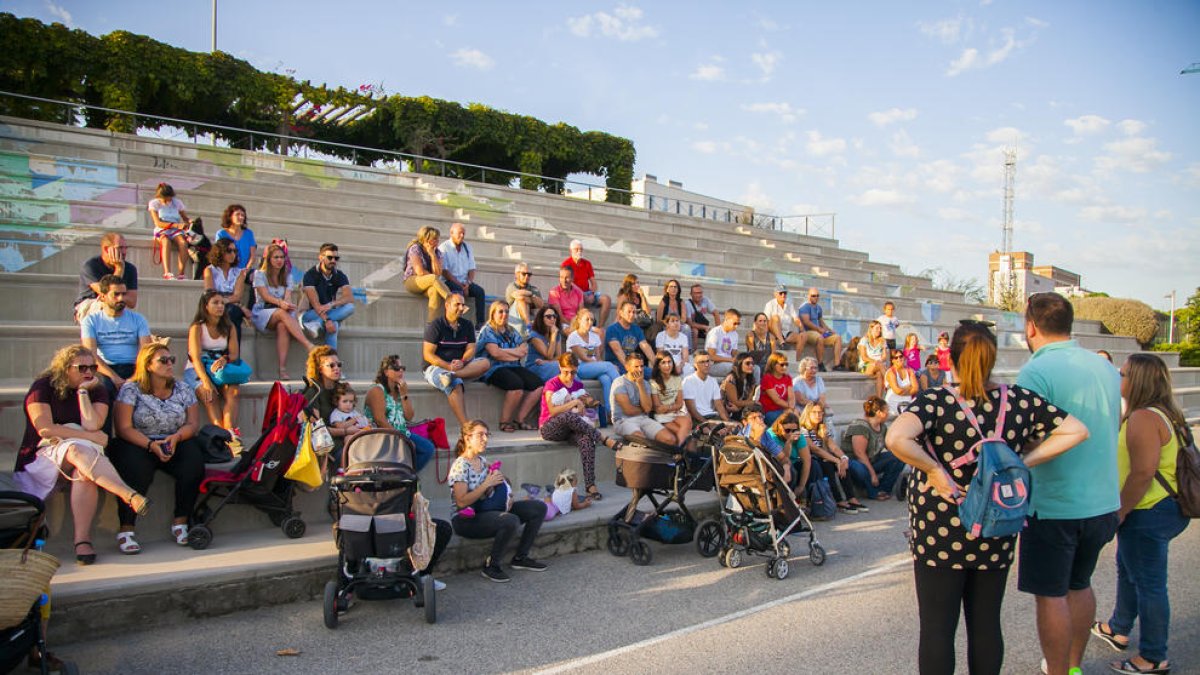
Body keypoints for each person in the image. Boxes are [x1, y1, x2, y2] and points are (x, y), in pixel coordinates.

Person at [885, 320, 1089, 675]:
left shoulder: (936, 401)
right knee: (986, 625)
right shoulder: (1019, 401)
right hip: (996, 526)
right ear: (992, 358)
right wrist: (1025, 461)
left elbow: (896, 439)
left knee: (937, 628)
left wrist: (934, 470)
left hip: (941, 529)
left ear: (953, 360)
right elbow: (1076, 430)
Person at [1016, 293, 1123, 675]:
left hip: (1055, 502)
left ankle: (1058, 671)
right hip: (1103, 501)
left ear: (1031, 326)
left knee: (1051, 594)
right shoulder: (1105, 368)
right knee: (1081, 583)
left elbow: (1025, 437)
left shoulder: (1035, 372)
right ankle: (1074, 666)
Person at [1092, 354, 1191, 675]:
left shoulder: (1143, 418)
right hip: (1163, 508)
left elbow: (1142, 472)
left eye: (1122, 373)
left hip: (1148, 510)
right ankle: (1119, 627)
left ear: (1138, 380)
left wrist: (1120, 512)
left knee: (1149, 583)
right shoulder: (1165, 413)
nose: (1118, 377)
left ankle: (1152, 656)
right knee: (1128, 568)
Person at [12, 345, 149, 565]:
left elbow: (93, 424)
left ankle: (82, 541)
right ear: (65, 368)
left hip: (81, 455)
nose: (89, 372)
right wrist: (91, 437)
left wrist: (83, 392)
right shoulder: (43, 387)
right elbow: (46, 429)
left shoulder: (97, 389)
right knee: (77, 450)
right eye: (81, 367)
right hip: (42, 455)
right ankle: (127, 494)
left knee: (84, 470)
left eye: (93, 367)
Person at [108, 342, 206, 553]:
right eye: (163, 360)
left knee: (193, 464)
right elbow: (123, 428)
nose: (170, 364)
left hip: (174, 438)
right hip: (139, 441)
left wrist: (176, 437)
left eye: (172, 360)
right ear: (148, 365)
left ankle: (181, 522)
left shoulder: (183, 388)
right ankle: (126, 528)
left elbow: (192, 424)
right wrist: (151, 445)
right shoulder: (130, 389)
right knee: (136, 469)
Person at [448, 420, 548, 583]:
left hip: (488, 509)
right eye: (480, 435)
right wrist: (486, 485)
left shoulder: (481, 461)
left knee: (538, 508)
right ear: (467, 438)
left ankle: (520, 558)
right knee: (510, 520)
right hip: (465, 519)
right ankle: (492, 566)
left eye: (487, 435)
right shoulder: (460, 466)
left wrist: (508, 496)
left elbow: (503, 480)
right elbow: (461, 502)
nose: (485, 439)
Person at [539, 353, 620, 501]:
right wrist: (573, 402)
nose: (570, 376)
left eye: (573, 372)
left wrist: (589, 401)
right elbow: (553, 411)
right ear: (560, 367)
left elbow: (584, 400)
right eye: (566, 372)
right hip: (551, 427)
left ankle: (590, 486)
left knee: (586, 440)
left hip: (572, 429)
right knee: (568, 415)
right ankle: (602, 438)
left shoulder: (577, 384)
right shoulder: (552, 384)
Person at [186, 290, 249, 439]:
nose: (220, 306)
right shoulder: (197, 327)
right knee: (210, 395)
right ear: (205, 306)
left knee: (233, 391)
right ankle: (220, 435)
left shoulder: (230, 326)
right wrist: (206, 382)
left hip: (219, 368)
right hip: (197, 368)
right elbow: (195, 357)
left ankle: (229, 432)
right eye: (215, 303)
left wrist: (224, 359)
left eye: (222, 303)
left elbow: (234, 355)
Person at [422, 293, 491, 425]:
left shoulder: (467, 325)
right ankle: (466, 426)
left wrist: (463, 361)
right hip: (436, 367)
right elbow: (428, 355)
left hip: (459, 365)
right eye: (457, 304)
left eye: (462, 304)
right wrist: (447, 367)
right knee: (456, 384)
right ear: (447, 306)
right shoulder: (436, 325)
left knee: (485, 362)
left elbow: (471, 349)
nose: (461, 307)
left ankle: (451, 375)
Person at [476, 301, 545, 432]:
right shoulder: (488, 330)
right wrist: (514, 352)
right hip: (493, 368)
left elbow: (523, 350)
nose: (504, 314)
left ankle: (519, 419)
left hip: (513, 366)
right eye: (500, 311)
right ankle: (504, 421)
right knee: (516, 385)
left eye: (507, 311)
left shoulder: (511, 330)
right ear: (493, 314)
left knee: (538, 384)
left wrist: (505, 352)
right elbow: (495, 354)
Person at [79, 275, 152, 398]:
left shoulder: (139, 319)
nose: (121, 298)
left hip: (134, 367)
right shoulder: (90, 321)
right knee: (103, 388)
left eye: (124, 294)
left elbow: (147, 351)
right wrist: (115, 378)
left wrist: (134, 377)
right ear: (102, 296)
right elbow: (90, 355)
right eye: (116, 294)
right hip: (104, 369)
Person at [252, 242, 315, 380]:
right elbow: (265, 296)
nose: (279, 260)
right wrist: (281, 303)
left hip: (281, 313)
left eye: (282, 257)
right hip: (262, 311)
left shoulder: (288, 276)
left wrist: (288, 305)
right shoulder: (259, 274)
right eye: (276, 257)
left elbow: (287, 297)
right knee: (281, 313)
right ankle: (309, 345)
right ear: (269, 259)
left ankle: (282, 368)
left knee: (282, 326)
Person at [363, 354, 436, 472]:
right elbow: (380, 419)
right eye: (396, 368)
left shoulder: (400, 389)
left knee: (428, 448)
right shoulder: (377, 390)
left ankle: (407, 475)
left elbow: (409, 416)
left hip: (402, 432)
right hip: (382, 434)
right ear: (386, 371)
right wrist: (399, 437)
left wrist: (404, 394)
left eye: (403, 368)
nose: (401, 371)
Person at [799, 402, 866, 514]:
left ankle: (851, 497)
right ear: (808, 414)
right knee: (828, 465)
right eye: (814, 412)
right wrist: (836, 460)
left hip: (823, 456)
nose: (818, 415)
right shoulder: (804, 429)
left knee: (844, 463)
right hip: (810, 459)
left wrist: (843, 458)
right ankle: (838, 500)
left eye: (820, 412)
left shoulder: (822, 428)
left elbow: (833, 446)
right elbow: (815, 449)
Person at [843, 396, 905, 501]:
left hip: (872, 460)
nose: (888, 413)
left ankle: (884, 489)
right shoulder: (860, 426)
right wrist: (873, 474)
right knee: (860, 469)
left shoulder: (882, 427)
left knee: (898, 457)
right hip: (854, 462)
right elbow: (859, 454)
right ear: (879, 413)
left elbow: (890, 447)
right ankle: (872, 492)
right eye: (887, 411)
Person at [610, 352, 677, 446]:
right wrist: (644, 408)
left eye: (641, 366)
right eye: (636, 366)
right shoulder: (619, 383)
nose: (640, 369)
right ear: (627, 367)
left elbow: (648, 409)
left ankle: (665, 460)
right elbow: (629, 411)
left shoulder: (644, 383)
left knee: (670, 439)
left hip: (643, 418)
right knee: (640, 439)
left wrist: (640, 385)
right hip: (623, 420)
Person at [566, 307, 620, 423]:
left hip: (593, 367)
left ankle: (609, 412)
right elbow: (584, 358)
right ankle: (623, 389)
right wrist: (605, 365)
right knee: (609, 366)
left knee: (606, 378)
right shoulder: (573, 337)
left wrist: (602, 365)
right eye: (587, 319)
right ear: (579, 320)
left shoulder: (594, 337)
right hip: (579, 368)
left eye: (592, 320)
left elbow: (598, 357)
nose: (590, 322)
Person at [302, 346, 354, 461]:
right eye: (331, 365)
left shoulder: (342, 389)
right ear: (320, 369)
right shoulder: (313, 393)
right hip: (328, 447)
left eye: (339, 365)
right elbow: (318, 429)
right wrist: (347, 431)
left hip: (349, 439)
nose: (337, 368)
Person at [302, 243, 356, 350]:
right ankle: (332, 362)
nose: (333, 261)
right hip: (310, 314)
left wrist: (330, 305)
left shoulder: (339, 275)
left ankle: (330, 360)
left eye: (336, 258)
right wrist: (327, 320)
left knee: (350, 308)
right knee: (333, 324)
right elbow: (315, 304)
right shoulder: (310, 274)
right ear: (321, 257)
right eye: (330, 257)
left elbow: (349, 297)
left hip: (327, 312)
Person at [75, 232, 138, 323]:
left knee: (132, 318)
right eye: (120, 248)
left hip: (117, 307)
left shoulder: (130, 269)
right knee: (107, 307)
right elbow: (107, 293)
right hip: (89, 305)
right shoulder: (91, 266)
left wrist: (119, 297)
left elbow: (132, 302)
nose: (124, 252)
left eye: (126, 248)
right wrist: (119, 269)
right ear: (106, 249)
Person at [202, 239, 251, 345]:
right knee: (225, 312)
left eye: (235, 251)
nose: (233, 254)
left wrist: (225, 301)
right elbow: (210, 293)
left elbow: (237, 295)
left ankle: (233, 353)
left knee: (233, 312)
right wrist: (223, 301)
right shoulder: (210, 270)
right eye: (229, 251)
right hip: (214, 301)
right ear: (220, 252)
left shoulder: (240, 272)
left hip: (231, 302)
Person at [438, 222, 486, 324]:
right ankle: (456, 321)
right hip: (449, 281)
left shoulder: (467, 247)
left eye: (463, 233)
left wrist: (468, 284)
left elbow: (472, 269)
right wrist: (461, 286)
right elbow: (445, 272)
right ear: (451, 233)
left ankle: (480, 323)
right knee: (457, 291)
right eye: (459, 233)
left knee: (480, 292)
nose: (462, 236)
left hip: (465, 282)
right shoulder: (444, 248)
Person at [403, 226, 452, 323]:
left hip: (429, 282)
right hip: (412, 280)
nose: (437, 241)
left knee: (434, 291)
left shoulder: (437, 253)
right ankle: (452, 300)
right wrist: (432, 276)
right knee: (432, 278)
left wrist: (433, 255)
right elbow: (420, 271)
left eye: (438, 239)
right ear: (426, 239)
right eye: (434, 239)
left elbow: (438, 274)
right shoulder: (415, 248)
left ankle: (432, 325)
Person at [146, 182, 192, 280]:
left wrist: (189, 221)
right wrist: (176, 225)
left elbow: (185, 217)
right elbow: (158, 223)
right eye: (166, 198)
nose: (168, 200)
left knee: (183, 243)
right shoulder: (154, 203)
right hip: (162, 229)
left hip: (175, 230)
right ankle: (167, 272)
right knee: (166, 242)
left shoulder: (177, 202)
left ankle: (181, 273)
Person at [740, 404, 792, 484]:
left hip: (766, 472)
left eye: (760, 417)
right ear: (745, 422)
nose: (758, 421)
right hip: (748, 476)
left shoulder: (766, 435)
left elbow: (783, 457)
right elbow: (749, 463)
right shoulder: (740, 438)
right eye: (753, 418)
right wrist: (758, 437)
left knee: (792, 471)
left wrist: (787, 468)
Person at [562, 239, 611, 325]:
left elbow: (593, 282)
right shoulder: (566, 264)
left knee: (606, 299)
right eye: (576, 249)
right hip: (573, 293)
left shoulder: (587, 263)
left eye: (581, 249)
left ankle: (600, 327)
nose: (579, 251)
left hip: (587, 292)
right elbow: (569, 283)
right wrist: (583, 295)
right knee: (580, 302)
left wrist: (592, 293)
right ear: (571, 251)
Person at [650, 349, 692, 444]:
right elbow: (658, 409)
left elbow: (680, 404)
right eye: (663, 363)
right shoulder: (653, 382)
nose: (667, 365)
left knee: (687, 422)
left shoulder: (677, 379)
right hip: (661, 417)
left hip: (675, 414)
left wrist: (667, 407)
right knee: (687, 435)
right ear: (658, 366)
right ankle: (679, 452)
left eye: (669, 362)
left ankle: (678, 452)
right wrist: (672, 407)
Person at [797, 287, 844, 371]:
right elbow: (806, 322)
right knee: (820, 337)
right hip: (808, 332)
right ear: (808, 296)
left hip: (818, 332)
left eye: (817, 296)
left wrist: (830, 330)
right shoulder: (804, 307)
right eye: (813, 296)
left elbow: (821, 322)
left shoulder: (819, 307)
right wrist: (819, 329)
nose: (816, 297)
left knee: (837, 337)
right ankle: (820, 363)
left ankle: (837, 364)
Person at [605, 301, 656, 376]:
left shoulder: (637, 329)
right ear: (621, 313)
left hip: (634, 364)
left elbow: (645, 347)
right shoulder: (612, 329)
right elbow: (618, 351)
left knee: (656, 374)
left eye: (634, 312)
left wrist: (657, 366)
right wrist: (630, 367)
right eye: (629, 312)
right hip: (616, 364)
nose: (632, 315)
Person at [763, 285, 808, 364]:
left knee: (803, 336)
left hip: (786, 332)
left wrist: (801, 327)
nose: (783, 295)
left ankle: (795, 361)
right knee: (776, 317)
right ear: (775, 294)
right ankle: (782, 342)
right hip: (773, 331)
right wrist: (767, 336)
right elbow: (765, 321)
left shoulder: (789, 304)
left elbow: (795, 319)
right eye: (781, 293)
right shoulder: (769, 304)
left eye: (785, 293)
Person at [683, 351, 729, 424]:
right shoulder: (688, 381)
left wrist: (727, 422)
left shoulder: (713, 381)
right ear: (695, 365)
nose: (706, 364)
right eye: (702, 362)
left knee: (736, 427)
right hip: (696, 418)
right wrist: (707, 423)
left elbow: (719, 405)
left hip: (712, 416)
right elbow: (691, 410)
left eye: (708, 361)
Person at [525, 305, 564, 382]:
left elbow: (559, 356)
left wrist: (548, 362)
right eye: (548, 316)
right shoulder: (534, 335)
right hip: (535, 366)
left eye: (554, 316)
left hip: (549, 364)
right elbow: (549, 356)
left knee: (568, 367)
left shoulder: (556, 334)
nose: (552, 319)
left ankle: (577, 391)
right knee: (559, 367)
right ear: (541, 319)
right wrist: (553, 336)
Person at [214, 204, 257, 271]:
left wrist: (246, 269)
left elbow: (253, 256)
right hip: (227, 270)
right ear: (230, 216)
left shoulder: (249, 233)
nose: (241, 217)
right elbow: (220, 254)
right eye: (237, 214)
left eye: (243, 215)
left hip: (245, 271)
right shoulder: (221, 234)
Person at [758, 352, 795, 425]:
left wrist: (791, 408)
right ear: (773, 364)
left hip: (784, 409)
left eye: (786, 364)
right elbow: (777, 400)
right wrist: (790, 408)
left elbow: (792, 397)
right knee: (790, 417)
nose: (784, 367)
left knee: (796, 414)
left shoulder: (788, 378)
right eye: (782, 364)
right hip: (769, 412)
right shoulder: (767, 378)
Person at [705, 308, 743, 378]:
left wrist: (743, 357)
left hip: (728, 363)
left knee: (754, 368)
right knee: (736, 368)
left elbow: (734, 353)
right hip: (713, 365)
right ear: (726, 320)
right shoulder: (715, 332)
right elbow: (711, 356)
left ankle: (752, 388)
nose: (736, 326)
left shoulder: (735, 334)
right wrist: (730, 360)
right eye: (734, 323)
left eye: (738, 323)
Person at [721, 353, 759, 422]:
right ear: (739, 364)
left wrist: (750, 403)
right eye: (747, 363)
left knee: (757, 411)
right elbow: (735, 402)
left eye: (752, 363)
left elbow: (748, 400)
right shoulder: (730, 379)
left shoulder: (751, 379)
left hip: (740, 408)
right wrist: (753, 402)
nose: (751, 366)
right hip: (729, 410)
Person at [505, 262, 544, 327]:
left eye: (529, 274)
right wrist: (532, 297)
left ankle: (529, 326)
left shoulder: (533, 289)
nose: (527, 276)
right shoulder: (511, 286)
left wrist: (529, 295)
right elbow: (520, 297)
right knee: (521, 301)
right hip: (513, 319)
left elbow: (541, 304)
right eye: (524, 274)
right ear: (517, 274)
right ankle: (528, 325)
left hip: (531, 318)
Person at [857, 320, 888, 398]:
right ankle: (889, 383)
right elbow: (864, 357)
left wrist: (879, 361)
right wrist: (875, 361)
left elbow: (884, 356)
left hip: (879, 365)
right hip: (866, 365)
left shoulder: (882, 341)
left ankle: (879, 398)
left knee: (879, 374)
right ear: (871, 329)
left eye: (880, 328)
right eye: (877, 328)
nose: (879, 330)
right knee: (880, 366)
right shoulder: (864, 340)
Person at [884, 349, 920, 414]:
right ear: (892, 360)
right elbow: (897, 391)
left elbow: (916, 389)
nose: (899, 359)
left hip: (907, 404)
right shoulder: (891, 372)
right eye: (896, 357)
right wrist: (908, 387)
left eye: (901, 356)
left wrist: (902, 390)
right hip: (892, 405)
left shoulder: (910, 370)